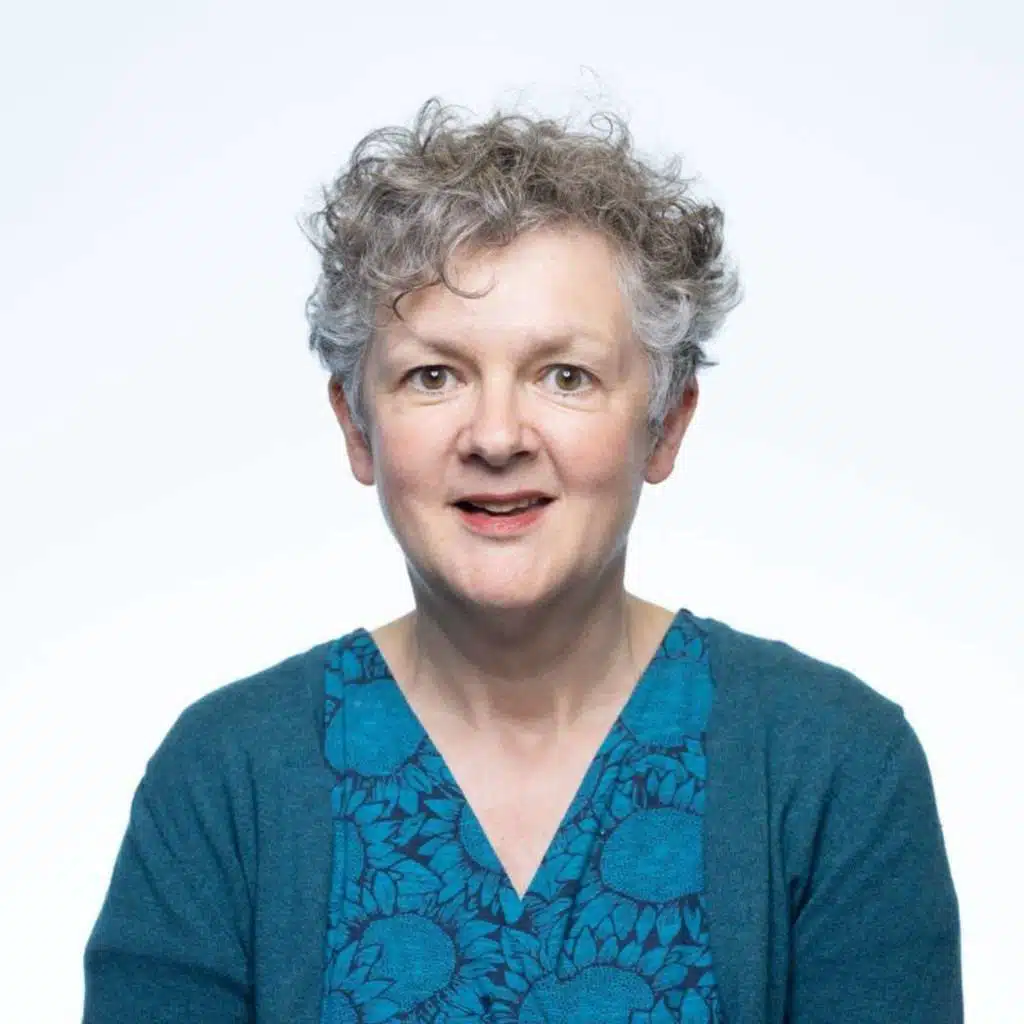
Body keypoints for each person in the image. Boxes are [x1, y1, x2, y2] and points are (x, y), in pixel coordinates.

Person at [82, 97, 963, 1023]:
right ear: (358, 428)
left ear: (665, 424)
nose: (497, 436)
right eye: (433, 375)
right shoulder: (228, 779)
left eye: (564, 376)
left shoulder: (834, 768)